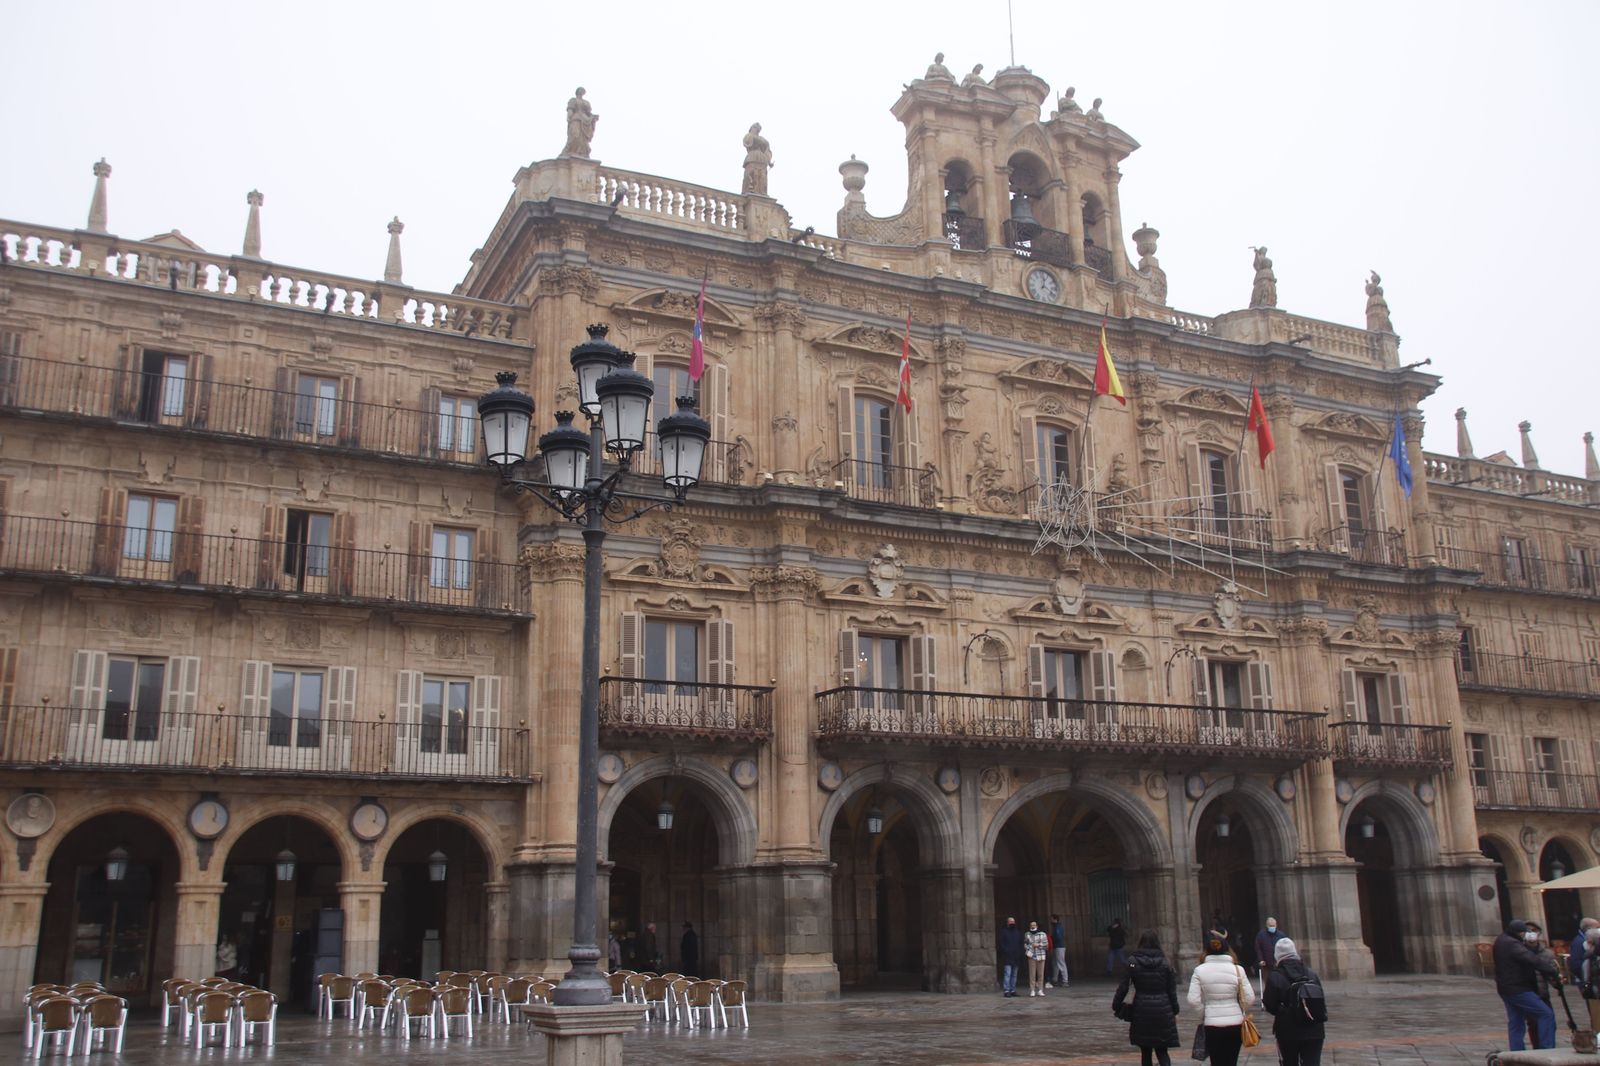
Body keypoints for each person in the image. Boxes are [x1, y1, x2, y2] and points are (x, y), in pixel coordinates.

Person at [1187, 930, 1256, 1066]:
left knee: (1216, 1061)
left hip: (1212, 1024)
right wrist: (1239, 1009)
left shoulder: (1199, 970)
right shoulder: (1238, 970)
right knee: (1231, 1061)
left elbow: (1193, 999)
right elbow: (1250, 998)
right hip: (1234, 1023)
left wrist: (1204, 1013)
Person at [1113, 930, 1180, 1066]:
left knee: (1146, 1051)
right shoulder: (1165, 962)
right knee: (1162, 1051)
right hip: (1163, 1009)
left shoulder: (1133, 962)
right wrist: (1174, 1009)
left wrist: (1116, 1004)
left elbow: (1124, 986)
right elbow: (1171, 990)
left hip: (1141, 1010)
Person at [1493, 918, 1558, 1050]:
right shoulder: (1512, 943)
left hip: (1506, 987)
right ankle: (1547, 1048)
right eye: (1524, 933)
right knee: (1545, 1013)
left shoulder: (1501, 940)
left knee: (1516, 1021)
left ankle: (1517, 1051)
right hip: (1518, 987)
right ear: (1519, 933)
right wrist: (1551, 970)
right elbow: (1530, 959)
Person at [1263, 937, 1325, 1066]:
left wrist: (1283, 1010)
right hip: (1314, 1029)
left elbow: (1270, 1004)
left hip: (1288, 1031)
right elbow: (1321, 999)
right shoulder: (1311, 974)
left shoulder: (1275, 976)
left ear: (1277, 955)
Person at [1254, 918, 1285, 992]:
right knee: (1268, 982)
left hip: (1278, 963)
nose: (1272, 927)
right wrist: (1261, 959)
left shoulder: (1281, 935)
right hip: (1266, 964)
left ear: (1276, 925)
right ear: (1267, 925)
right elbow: (1258, 948)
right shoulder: (1261, 935)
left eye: (1273, 925)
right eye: (1270, 926)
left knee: (1280, 981)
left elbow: (1284, 947)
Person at [997, 916, 1023, 997]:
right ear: (1008, 923)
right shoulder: (1004, 932)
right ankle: (1006, 990)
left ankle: (1013, 990)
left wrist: (1019, 952)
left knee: (1014, 975)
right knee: (1007, 974)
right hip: (1007, 956)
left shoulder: (1017, 932)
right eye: (1010, 921)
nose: (1012, 923)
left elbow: (1020, 943)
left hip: (1016, 956)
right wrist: (1006, 951)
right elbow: (1001, 943)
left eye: (1013, 921)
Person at [1024, 920, 1050, 997]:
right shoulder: (1027, 934)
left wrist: (1038, 945)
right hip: (1031, 955)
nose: (1033, 926)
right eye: (1031, 925)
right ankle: (1032, 990)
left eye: (1034, 925)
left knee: (1040, 974)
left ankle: (1040, 990)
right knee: (1032, 974)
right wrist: (1029, 948)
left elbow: (1046, 945)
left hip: (1041, 955)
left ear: (1037, 926)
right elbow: (1025, 944)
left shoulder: (1042, 934)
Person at [1050, 914, 1070, 988]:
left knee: (1061, 963)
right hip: (1057, 946)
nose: (1051, 920)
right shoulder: (1057, 926)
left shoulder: (1057, 927)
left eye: (1052, 919)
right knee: (1055, 963)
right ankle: (1055, 979)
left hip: (1059, 946)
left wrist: (1052, 939)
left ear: (1055, 919)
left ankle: (1065, 981)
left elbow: (1058, 936)